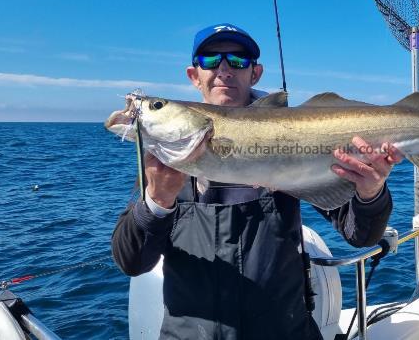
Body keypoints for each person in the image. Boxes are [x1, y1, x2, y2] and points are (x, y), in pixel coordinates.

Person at [111, 23, 403, 340]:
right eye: (210, 60)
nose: (224, 69)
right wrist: (157, 201)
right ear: (194, 76)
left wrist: (370, 193)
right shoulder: (164, 163)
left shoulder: (291, 140)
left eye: (238, 61)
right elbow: (132, 261)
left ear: (255, 74)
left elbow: (361, 234)